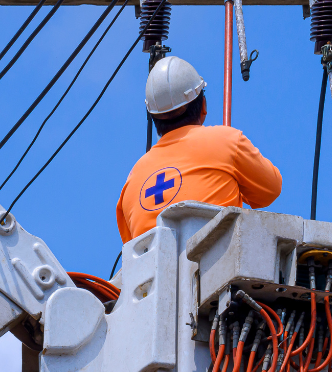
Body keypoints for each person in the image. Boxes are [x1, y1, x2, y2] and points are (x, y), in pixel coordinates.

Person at [116, 56, 283, 243]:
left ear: (153, 119)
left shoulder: (132, 181)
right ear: (203, 106)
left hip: (155, 271)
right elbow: (270, 190)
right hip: (215, 266)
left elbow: (133, 248)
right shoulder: (226, 141)